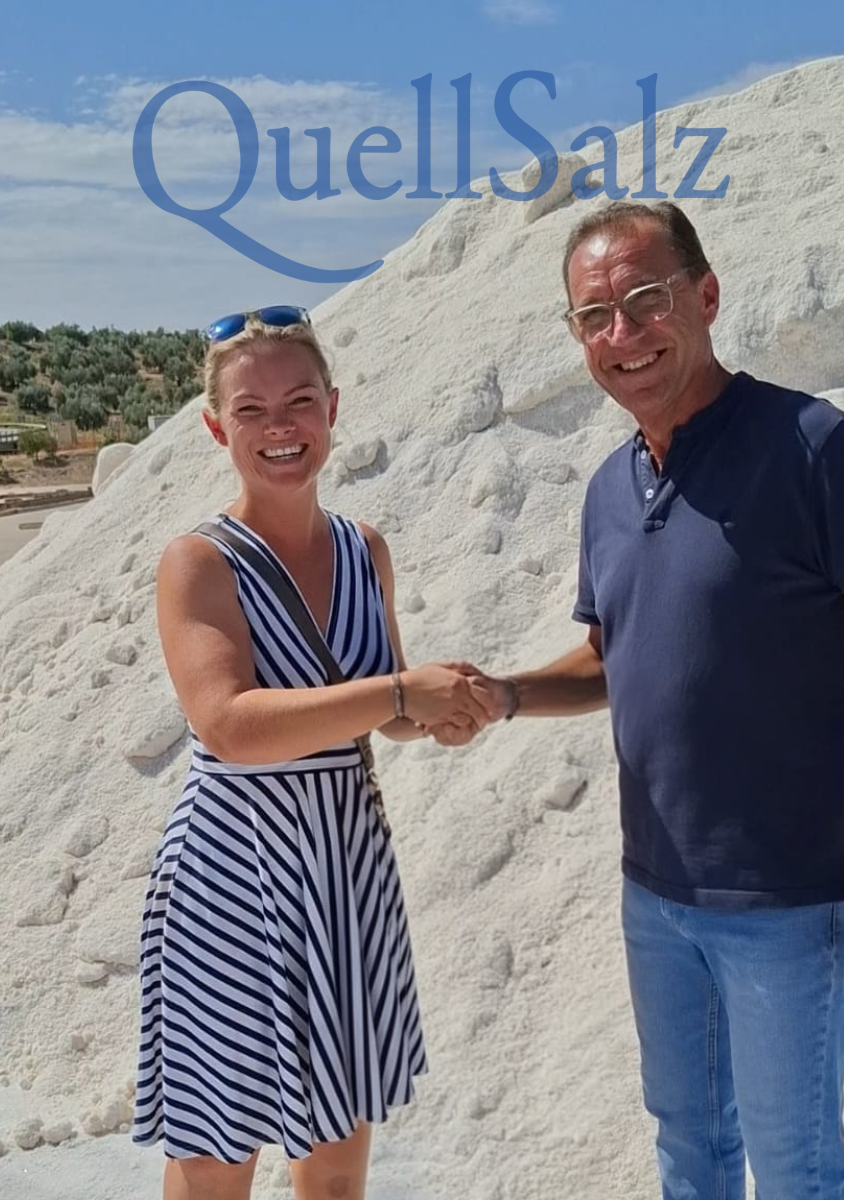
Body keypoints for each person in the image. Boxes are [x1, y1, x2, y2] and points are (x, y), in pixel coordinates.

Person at [454, 201, 844, 1199]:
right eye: (594, 316)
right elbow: (615, 661)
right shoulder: (609, 490)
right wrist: (504, 695)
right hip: (655, 895)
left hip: (788, 901)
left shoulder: (814, 449)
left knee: (799, 1174)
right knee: (689, 1157)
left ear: (706, 295)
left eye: (645, 300)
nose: (623, 334)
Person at [132, 306, 489, 1200]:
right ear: (216, 428)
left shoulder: (365, 550)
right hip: (234, 879)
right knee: (216, 1165)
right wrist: (400, 695)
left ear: (332, 407)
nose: (279, 427)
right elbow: (230, 725)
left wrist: (440, 710)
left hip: (343, 877)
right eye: (250, 410)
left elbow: (376, 709)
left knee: (334, 1168)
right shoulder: (198, 562)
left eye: (299, 402)